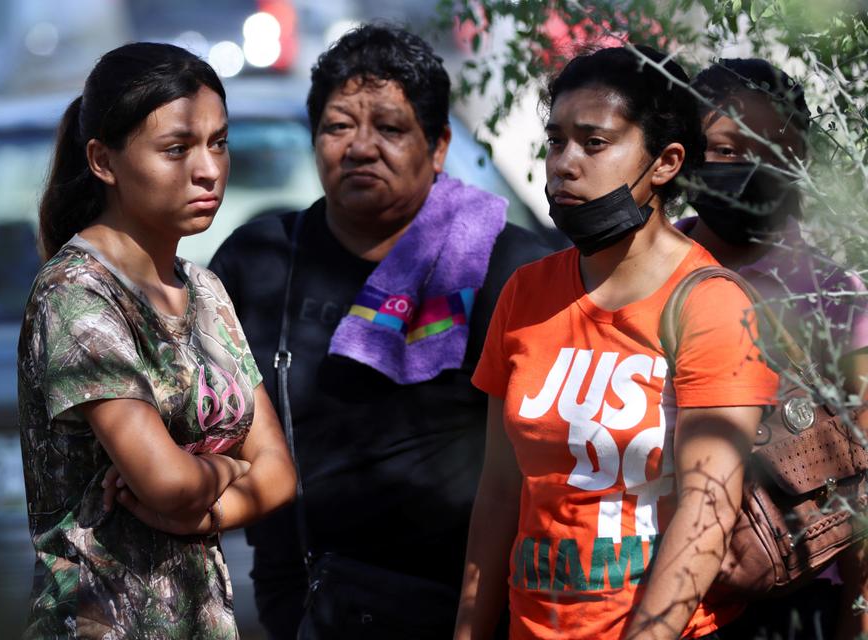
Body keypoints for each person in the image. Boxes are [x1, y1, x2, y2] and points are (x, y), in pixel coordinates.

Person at [208, 24, 559, 639]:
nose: (361, 147)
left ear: (440, 144)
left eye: (391, 129)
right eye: (339, 126)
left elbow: (547, 464)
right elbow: (203, 418)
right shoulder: (257, 261)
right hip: (307, 604)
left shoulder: (510, 270)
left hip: (465, 607)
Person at [454, 46, 780, 640]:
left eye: (594, 143)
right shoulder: (524, 294)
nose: (564, 164)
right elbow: (500, 493)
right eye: (556, 141)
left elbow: (708, 515)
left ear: (665, 162)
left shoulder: (713, 305)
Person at [18, 42, 295, 639]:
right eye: (176, 149)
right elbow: (166, 484)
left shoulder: (207, 290)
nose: (209, 170)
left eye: (218, 142)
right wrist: (229, 468)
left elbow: (279, 474)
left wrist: (206, 500)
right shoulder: (77, 294)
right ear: (102, 160)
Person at [680, 58, 868, 640]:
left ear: (803, 163)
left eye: (775, 149)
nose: (751, 167)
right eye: (727, 149)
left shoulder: (838, 299)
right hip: (622, 584)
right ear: (682, 152)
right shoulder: (646, 270)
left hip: (781, 603)